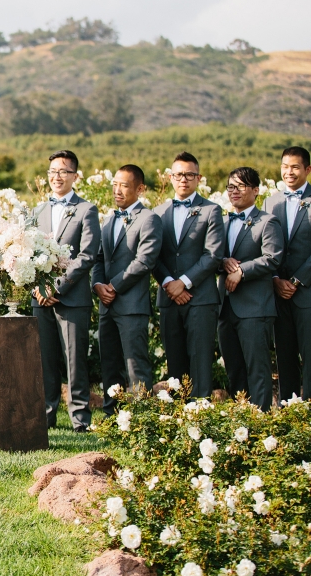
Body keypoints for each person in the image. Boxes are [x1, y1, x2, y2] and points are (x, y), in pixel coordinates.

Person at [32, 150, 100, 432]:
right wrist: (39, 287)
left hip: (72, 298)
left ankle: (80, 418)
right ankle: (46, 416)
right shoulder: (37, 210)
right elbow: (28, 252)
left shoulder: (87, 210)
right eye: (52, 172)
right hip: (40, 298)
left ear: (75, 176)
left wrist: (56, 286)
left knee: (74, 360)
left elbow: (87, 255)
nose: (56, 177)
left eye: (62, 171)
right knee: (44, 360)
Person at [152, 152, 224, 399]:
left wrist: (183, 283)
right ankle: (175, 421)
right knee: (175, 364)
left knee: (200, 362)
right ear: (171, 177)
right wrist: (169, 283)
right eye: (179, 174)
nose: (184, 179)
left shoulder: (211, 210)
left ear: (198, 178)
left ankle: (201, 420)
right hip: (169, 298)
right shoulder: (158, 212)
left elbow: (213, 255)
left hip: (201, 298)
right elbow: (152, 256)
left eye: (190, 175)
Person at [91, 165, 162, 414]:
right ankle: (113, 416)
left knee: (136, 365)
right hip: (107, 304)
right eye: (115, 185)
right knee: (109, 364)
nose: (117, 190)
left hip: (132, 304)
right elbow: (99, 259)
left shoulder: (149, 219)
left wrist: (113, 285)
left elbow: (144, 261)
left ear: (140, 189)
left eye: (124, 185)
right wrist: (98, 285)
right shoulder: (109, 220)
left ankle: (142, 417)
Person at [216, 167, 283, 411]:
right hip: (226, 307)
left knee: (258, 369)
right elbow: (213, 256)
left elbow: (273, 258)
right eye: (230, 187)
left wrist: (242, 271)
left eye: (240, 186)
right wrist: (223, 262)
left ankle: (261, 422)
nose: (234, 191)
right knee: (234, 369)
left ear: (256, 190)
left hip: (255, 308)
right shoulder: (222, 222)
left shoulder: (268, 222)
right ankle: (239, 424)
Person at [265, 146, 311, 401]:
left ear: (307, 169)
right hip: (278, 292)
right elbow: (265, 245)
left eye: (295, 167)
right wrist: (275, 280)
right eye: (285, 166)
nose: (289, 172)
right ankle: (287, 413)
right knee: (284, 355)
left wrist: (295, 280)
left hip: (306, 290)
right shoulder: (271, 201)